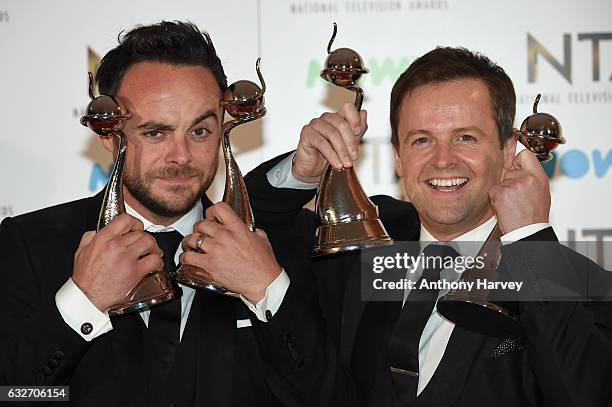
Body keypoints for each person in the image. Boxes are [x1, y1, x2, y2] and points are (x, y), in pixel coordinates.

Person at [183, 47, 612, 406]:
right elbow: (236, 224)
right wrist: (302, 172)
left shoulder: (575, 280)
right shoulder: (366, 238)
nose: (443, 161)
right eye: (422, 140)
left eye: (466, 137)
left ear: (508, 151)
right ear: (397, 158)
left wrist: (529, 241)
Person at [0, 21, 350, 407]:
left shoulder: (280, 242)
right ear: (108, 132)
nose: (181, 156)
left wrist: (268, 290)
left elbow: (331, 397)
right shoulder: (28, 245)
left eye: (200, 132)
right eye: (155, 133)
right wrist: (82, 302)